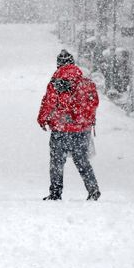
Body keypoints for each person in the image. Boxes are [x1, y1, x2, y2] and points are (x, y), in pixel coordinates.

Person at [37, 50, 100, 201]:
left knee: (57, 162)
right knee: (82, 160)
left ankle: (56, 193)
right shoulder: (84, 81)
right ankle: (93, 190)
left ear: (58, 64)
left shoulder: (55, 81)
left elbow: (49, 102)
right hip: (81, 128)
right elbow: (94, 102)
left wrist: (42, 119)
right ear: (72, 63)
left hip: (60, 128)